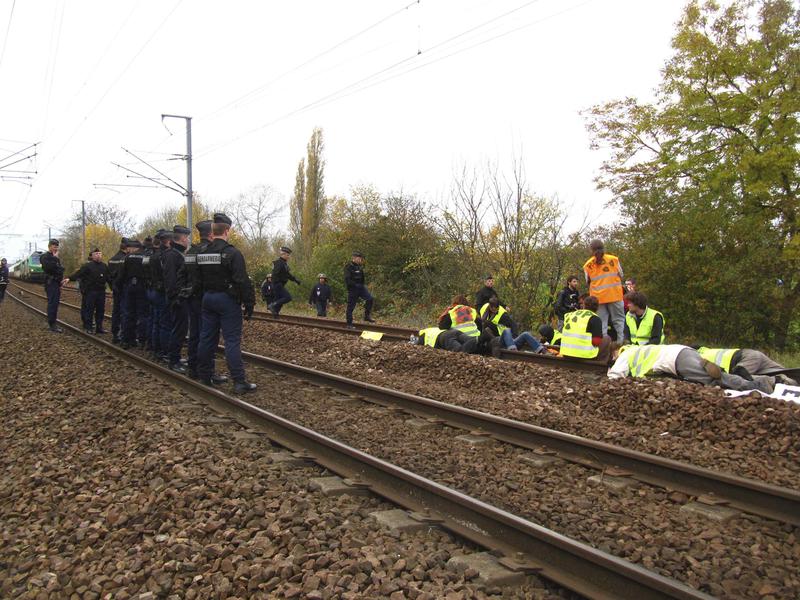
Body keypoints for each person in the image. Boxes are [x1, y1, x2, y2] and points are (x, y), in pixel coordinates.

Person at [196, 213, 257, 393]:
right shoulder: (232, 253)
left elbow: (197, 278)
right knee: (231, 341)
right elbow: (242, 281)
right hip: (227, 300)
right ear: (227, 230)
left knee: (206, 338)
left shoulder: (203, 253)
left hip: (208, 298)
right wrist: (249, 303)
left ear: (213, 231)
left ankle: (205, 375)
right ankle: (239, 381)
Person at [608, 344, 775, 393]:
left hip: (676, 360)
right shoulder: (640, 349)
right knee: (711, 377)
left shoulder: (626, 354)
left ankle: (757, 385)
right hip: (682, 352)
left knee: (714, 378)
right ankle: (764, 380)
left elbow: (615, 376)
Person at [184, 220, 226, 383]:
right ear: (210, 234)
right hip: (205, 299)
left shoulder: (191, 252)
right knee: (208, 337)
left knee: (194, 334)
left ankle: (192, 367)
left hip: (192, 298)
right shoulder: (208, 251)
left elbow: (184, 274)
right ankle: (207, 371)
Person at [583, 239, 625, 343]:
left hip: (598, 299)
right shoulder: (614, 260)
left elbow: (588, 281)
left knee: (602, 324)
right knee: (619, 321)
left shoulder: (588, 265)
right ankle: (622, 345)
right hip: (615, 295)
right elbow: (621, 275)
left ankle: (604, 347)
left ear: (591, 250)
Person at [163, 225, 191, 373]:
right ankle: (173, 360)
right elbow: (171, 279)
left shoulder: (175, 254)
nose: (188, 241)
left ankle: (175, 356)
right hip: (178, 299)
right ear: (182, 239)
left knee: (180, 329)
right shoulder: (173, 255)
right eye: (187, 238)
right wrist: (176, 297)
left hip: (179, 298)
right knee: (179, 330)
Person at [695, 347, 797, 387]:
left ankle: (782, 382)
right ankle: (789, 380)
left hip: (744, 360)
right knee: (778, 371)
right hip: (751, 355)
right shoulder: (703, 349)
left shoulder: (695, 356)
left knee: (742, 381)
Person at [67, 248, 111, 334]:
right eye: (96, 254)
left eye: (99, 253)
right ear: (93, 256)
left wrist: (114, 287)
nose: (98, 255)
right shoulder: (87, 266)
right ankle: (88, 327)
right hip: (90, 291)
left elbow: (109, 278)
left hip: (101, 291)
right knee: (89, 310)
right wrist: (69, 278)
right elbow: (79, 274)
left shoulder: (104, 266)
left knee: (100, 310)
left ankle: (99, 327)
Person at [479, 297, 545, 354]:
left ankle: (541, 349)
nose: (495, 311)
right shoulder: (485, 322)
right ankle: (513, 351)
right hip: (499, 342)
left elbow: (513, 324)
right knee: (507, 330)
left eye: (497, 309)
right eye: (493, 309)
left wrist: (514, 337)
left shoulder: (503, 314)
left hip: (509, 341)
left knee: (525, 334)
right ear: (490, 307)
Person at [559, 295, 612, 362]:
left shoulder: (570, 315)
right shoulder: (595, 318)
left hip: (566, 354)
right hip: (583, 356)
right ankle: (600, 364)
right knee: (607, 339)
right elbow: (596, 342)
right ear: (597, 307)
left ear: (584, 305)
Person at [117, 239, 148, 348]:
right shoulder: (145, 256)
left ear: (133, 248)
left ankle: (126, 339)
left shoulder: (127, 258)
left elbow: (121, 275)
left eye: (129, 248)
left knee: (128, 313)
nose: (128, 250)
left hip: (130, 287)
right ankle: (142, 340)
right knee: (143, 314)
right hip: (143, 287)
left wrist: (119, 288)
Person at [40, 239, 67, 333]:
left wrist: (60, 282)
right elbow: (48, 268)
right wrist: (55, 260)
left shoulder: (55, 258)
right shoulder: (44, 256)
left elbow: (60, 270)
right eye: (54, 246)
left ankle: (53, 322)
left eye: (57, 247)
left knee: (55, 303)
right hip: (50, 283)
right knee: (53, 303)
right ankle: (52, 324)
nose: (56, 248)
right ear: (49, 246)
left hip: (56, 283)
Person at [344, 251, 374, 327]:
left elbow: (362, 277)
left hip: (361, 287)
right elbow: (347, 279)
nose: (360, 259)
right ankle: (349, 323)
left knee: (370, 299)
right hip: (353, 289)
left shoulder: (359, 267)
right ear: (354, 258)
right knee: (351, 307)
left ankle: (366, 316)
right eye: (359, 258)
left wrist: (362, 285)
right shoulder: (348, 267)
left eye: (361, 258)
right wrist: (354, 285)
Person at [268, 246, 300, 316]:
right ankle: (272, 305)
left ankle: (275, 318)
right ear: (283, 254)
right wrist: (276, 284)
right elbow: (275, 274)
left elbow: (288, 274)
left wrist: (295, 280)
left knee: (279, 302)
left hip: (279, 285)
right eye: (287, 255)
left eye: (289, 255)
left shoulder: (284, 263)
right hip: (277, 285)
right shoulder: (279, 263)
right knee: (287, 297)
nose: (289, 257)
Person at [108, 238, 128, 343]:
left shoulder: (112, 259)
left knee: (116, 311)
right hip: (124, 289)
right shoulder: (125, 259)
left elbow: (109, 276)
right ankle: (122, 334)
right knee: (124, 311)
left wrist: (112, 287)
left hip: (115, 289)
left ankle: (115, 333)